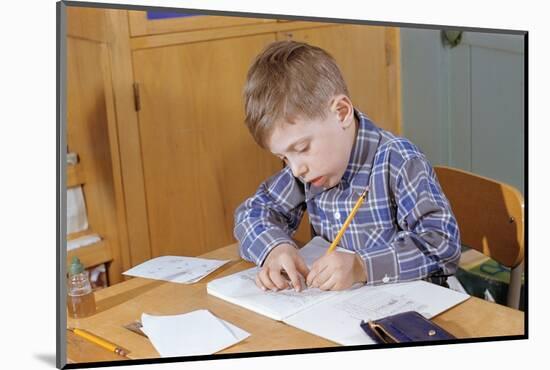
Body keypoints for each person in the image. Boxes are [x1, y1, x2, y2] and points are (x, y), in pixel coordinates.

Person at [234, 40, 460, 293]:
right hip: (345, 311)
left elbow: (443, 246)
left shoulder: (399, 161)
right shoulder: (310, 171)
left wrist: (362, 267)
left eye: (301, 149)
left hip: (418, 307)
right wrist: (275, 248)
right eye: (284, 158)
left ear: (341, 112)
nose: (296, 169)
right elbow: (252, 212)